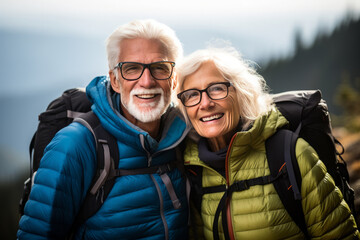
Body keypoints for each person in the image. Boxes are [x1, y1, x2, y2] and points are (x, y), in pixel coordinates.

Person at [17, 19, 191, 239]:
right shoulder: (76, 145)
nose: (146, 81)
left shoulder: (183, 137)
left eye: (159, 68)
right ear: (115, 80)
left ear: (174, 80)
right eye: (132, 68)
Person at [176, 46, 360, 239]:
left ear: (241, 93)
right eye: (192, 95)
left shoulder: (289, 153)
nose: (205, 103)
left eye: (216, 89)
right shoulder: (193, 167)